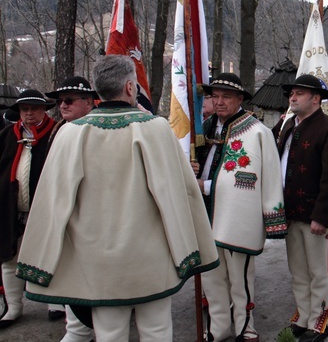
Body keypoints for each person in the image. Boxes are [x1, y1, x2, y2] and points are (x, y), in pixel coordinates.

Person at [15, 55, 219, 341]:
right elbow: (178, 194)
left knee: (109, 334)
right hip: (151, 259)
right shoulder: (156, 128)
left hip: (98, 263)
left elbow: (52, 199)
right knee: (157, 330)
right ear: (129, 87)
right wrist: (193, 248)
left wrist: (40, 260)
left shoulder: (70, 134)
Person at [196, 73, 288, 342]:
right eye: (215, 96)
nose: (219, 101)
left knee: (241, 279)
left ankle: (245, 324)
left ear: (239, 99)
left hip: (238, 219)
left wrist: (273, 217)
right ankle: (219, 326)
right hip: (206, 217)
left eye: (226, 96)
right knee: (212, 281)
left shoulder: (257, 131)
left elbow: (268, 175)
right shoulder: (203, 129)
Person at [277, 74, 328, 342]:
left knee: (319, 271)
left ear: (316, 99)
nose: (292, 97)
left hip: (315, 214)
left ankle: (320, 322)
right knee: (297, 270)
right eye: (291, 93)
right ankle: (303, 315)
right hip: (291, 212)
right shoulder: (288, 126)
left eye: (299, 93)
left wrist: (322, 215)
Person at [44, 76, 98, 342]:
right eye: (59, 101)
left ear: (88, 103)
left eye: (68, 101)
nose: (62, 106)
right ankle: (76, 328)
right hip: (63, 220)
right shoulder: (60, 130)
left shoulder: (98, 132)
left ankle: (82, 330)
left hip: (89, 223)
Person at [0, 89, 56, 328]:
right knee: (9, 256)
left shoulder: (57, 134)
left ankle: (56, 303)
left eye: (35, 108)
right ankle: (13, 307)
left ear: (44, 110)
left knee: (52, 255)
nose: (30, 113)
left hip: (46, 207)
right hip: (12, 208)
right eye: (25, 109)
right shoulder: (7, 135)